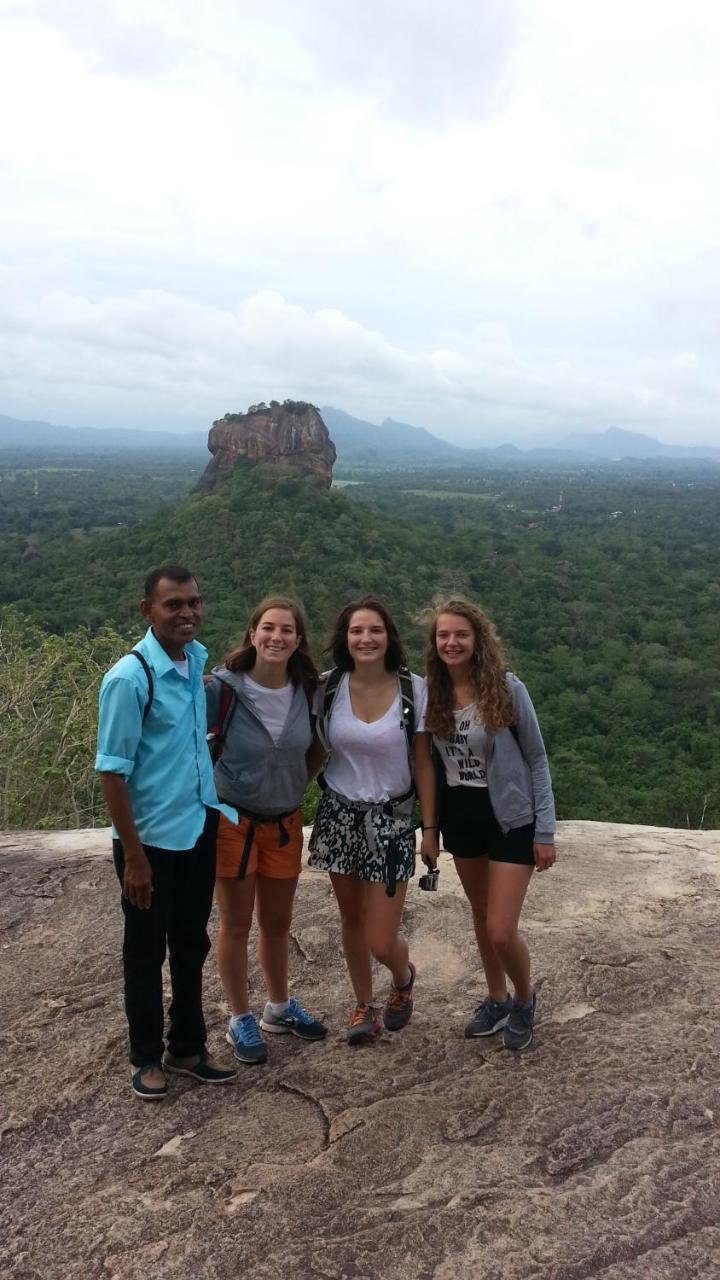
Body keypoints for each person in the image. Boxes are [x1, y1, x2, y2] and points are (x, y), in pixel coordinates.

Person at [96, 564, 238, 1101]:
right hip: (149, 842)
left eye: (194, 603)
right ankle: (145, 1057)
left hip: (196, 827)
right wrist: (133, 857)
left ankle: (187, 1046)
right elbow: (112, 771)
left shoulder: (193, 662)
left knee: (189, 943)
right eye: (173, 604)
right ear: (147, 610)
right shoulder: (130, 678)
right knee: (144, 949)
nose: (187, 613)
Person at [414, 598, 556, 1051]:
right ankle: (495, 1000)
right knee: (479, 915)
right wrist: (430, 830)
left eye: (460, 634)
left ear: (478, 640)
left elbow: (536, 759)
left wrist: (545, 831)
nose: (451, 642)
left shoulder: (507, 689)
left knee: (500, 927)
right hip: (462, 816)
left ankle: (523, 997)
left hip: (511, 817)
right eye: (443, 635)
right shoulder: (431, 695)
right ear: (434, 644)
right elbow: (431, 768)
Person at [206, 596, 328, 1065]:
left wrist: (296, 782)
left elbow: (316, 750)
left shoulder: (308, 691)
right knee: (236, 924)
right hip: (232, 821)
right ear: (253, 633)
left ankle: (278, 1008)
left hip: (284, 820)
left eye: (287, 630)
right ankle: (241, 1016)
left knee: (277, 924)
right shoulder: (223, 689)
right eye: (268, 628)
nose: (277, 637)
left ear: (299, 640)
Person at [308, 596, 426, 1044]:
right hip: (339, 813)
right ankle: (363, 1004)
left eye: (374, 630)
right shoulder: (328, 687)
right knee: (351, 920)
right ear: (345, 639)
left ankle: (402, 976)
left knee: (382, 937)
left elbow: (424, 763)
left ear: (388, 636)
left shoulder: (414, 689)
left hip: (392, 819)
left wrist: (429, 829)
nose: (366, 638)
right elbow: (313, 746)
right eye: (356, 631)